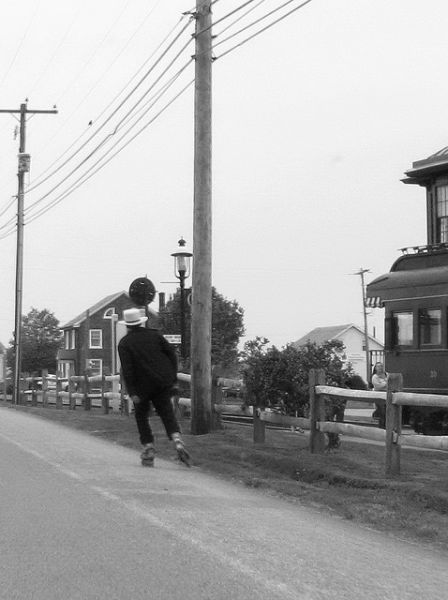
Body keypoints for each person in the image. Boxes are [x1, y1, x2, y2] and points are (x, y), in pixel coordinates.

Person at [118, 307, 190, 467]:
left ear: (127, 325)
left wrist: (132, 392)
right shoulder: (155, 335)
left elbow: (127, 370)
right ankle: (177, 440)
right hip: (162, 382)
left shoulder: (124, 343)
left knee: (141, 416)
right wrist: (172, 377)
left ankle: (148, 448)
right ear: (141, 322)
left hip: (142, 385)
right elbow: (171, 354)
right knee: (166, 413)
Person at [371, 362, 387, 428]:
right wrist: (386, 383)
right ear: (375, 368)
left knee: (387, 412)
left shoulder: (387, 374)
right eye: (378, 366)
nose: (380, 368)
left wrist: (383, 383)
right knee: (382, 412)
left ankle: (387, 427)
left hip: (387, 395)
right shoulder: (375, 377)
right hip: (379, 396)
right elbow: (378, 386)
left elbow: (391, 382)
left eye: (381, 366)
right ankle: (382, 427)